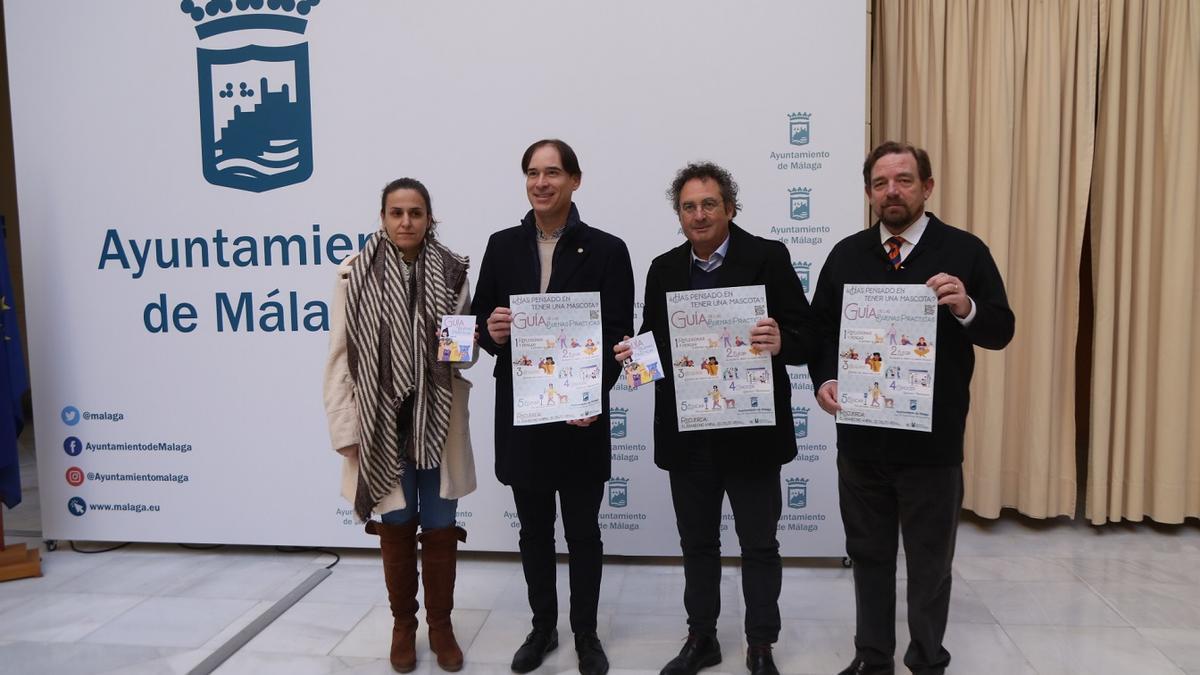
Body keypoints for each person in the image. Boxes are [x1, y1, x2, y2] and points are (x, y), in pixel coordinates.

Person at [808, 142, 1014, 675]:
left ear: (927, 186)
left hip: (932, 445)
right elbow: (819, 331)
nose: (891, 191)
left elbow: (1002, 329)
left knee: (929, 565)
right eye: (880, 183)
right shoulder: (847, 254)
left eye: (903, 180)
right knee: (870, 557)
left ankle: (926, 660)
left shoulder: (964, 251)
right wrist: (825, 378)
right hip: (861, 442)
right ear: (869, 193)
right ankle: (871, 657)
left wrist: (967, 307)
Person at [615, 162, 810, 675]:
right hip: (690, 437)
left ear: (729, 208)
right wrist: (630, 359)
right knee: (697, 544)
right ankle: (702, 637)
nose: (698, 215)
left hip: (752, 435)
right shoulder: (663, 268)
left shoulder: (768, 257)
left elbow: (804, 333)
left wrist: (782, 340)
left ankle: (761, 643)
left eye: (708, 204)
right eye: (688, 206)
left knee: (760, 545)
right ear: (678, 214)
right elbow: (653, 340)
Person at [472, 139, 634, 675]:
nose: (541, 183)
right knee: (534, 530)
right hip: (522, 414)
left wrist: (596, 395)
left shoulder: (608, 250)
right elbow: (481, 327)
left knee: (584, 531)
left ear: (575, 180)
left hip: (580, 417)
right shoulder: (501, 245)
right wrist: (492, 332)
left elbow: (619, 336)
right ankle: (543, 628)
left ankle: (586, 634)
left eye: (553, 173)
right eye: (532, 173)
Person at [324, 178, 477, 673]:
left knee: (438, 524)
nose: (406, 222)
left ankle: (441, 626)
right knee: (395, 524)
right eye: (396, 212)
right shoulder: (354, 275)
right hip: (379, 424)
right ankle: (403, 625)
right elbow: (339, 358)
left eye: (415, 212)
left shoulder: (453, 272)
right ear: (383, 218)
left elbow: (463, 358)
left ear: (430, 217)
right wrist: (347, 430)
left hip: (437, 418)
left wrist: (462, 345)